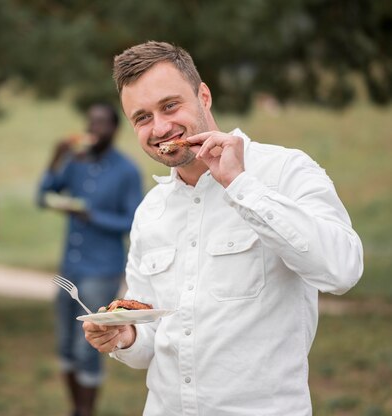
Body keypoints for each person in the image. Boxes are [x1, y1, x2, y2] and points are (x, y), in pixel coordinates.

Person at [83, 41, 364, 415]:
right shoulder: (150, 211)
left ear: (204, 96)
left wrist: (241, 185)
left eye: (170, 106)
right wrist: (125, 335)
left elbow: (342, 270)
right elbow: (152, 337)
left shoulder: (285, 171)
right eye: (142, 117)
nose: (161, 127)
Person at [38, 103, 144, 416]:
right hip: (69, 268)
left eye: (102, 124)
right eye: (91, 123)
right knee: (65, 348)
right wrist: (56, 157)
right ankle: (76, 410)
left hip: (101, 270)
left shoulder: (126, 170)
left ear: (114, 129)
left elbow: (132, 222)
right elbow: (43, 196)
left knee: (88, 348)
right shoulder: (75, 161)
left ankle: (87, 411)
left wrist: (91, 216)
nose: (95, 129)